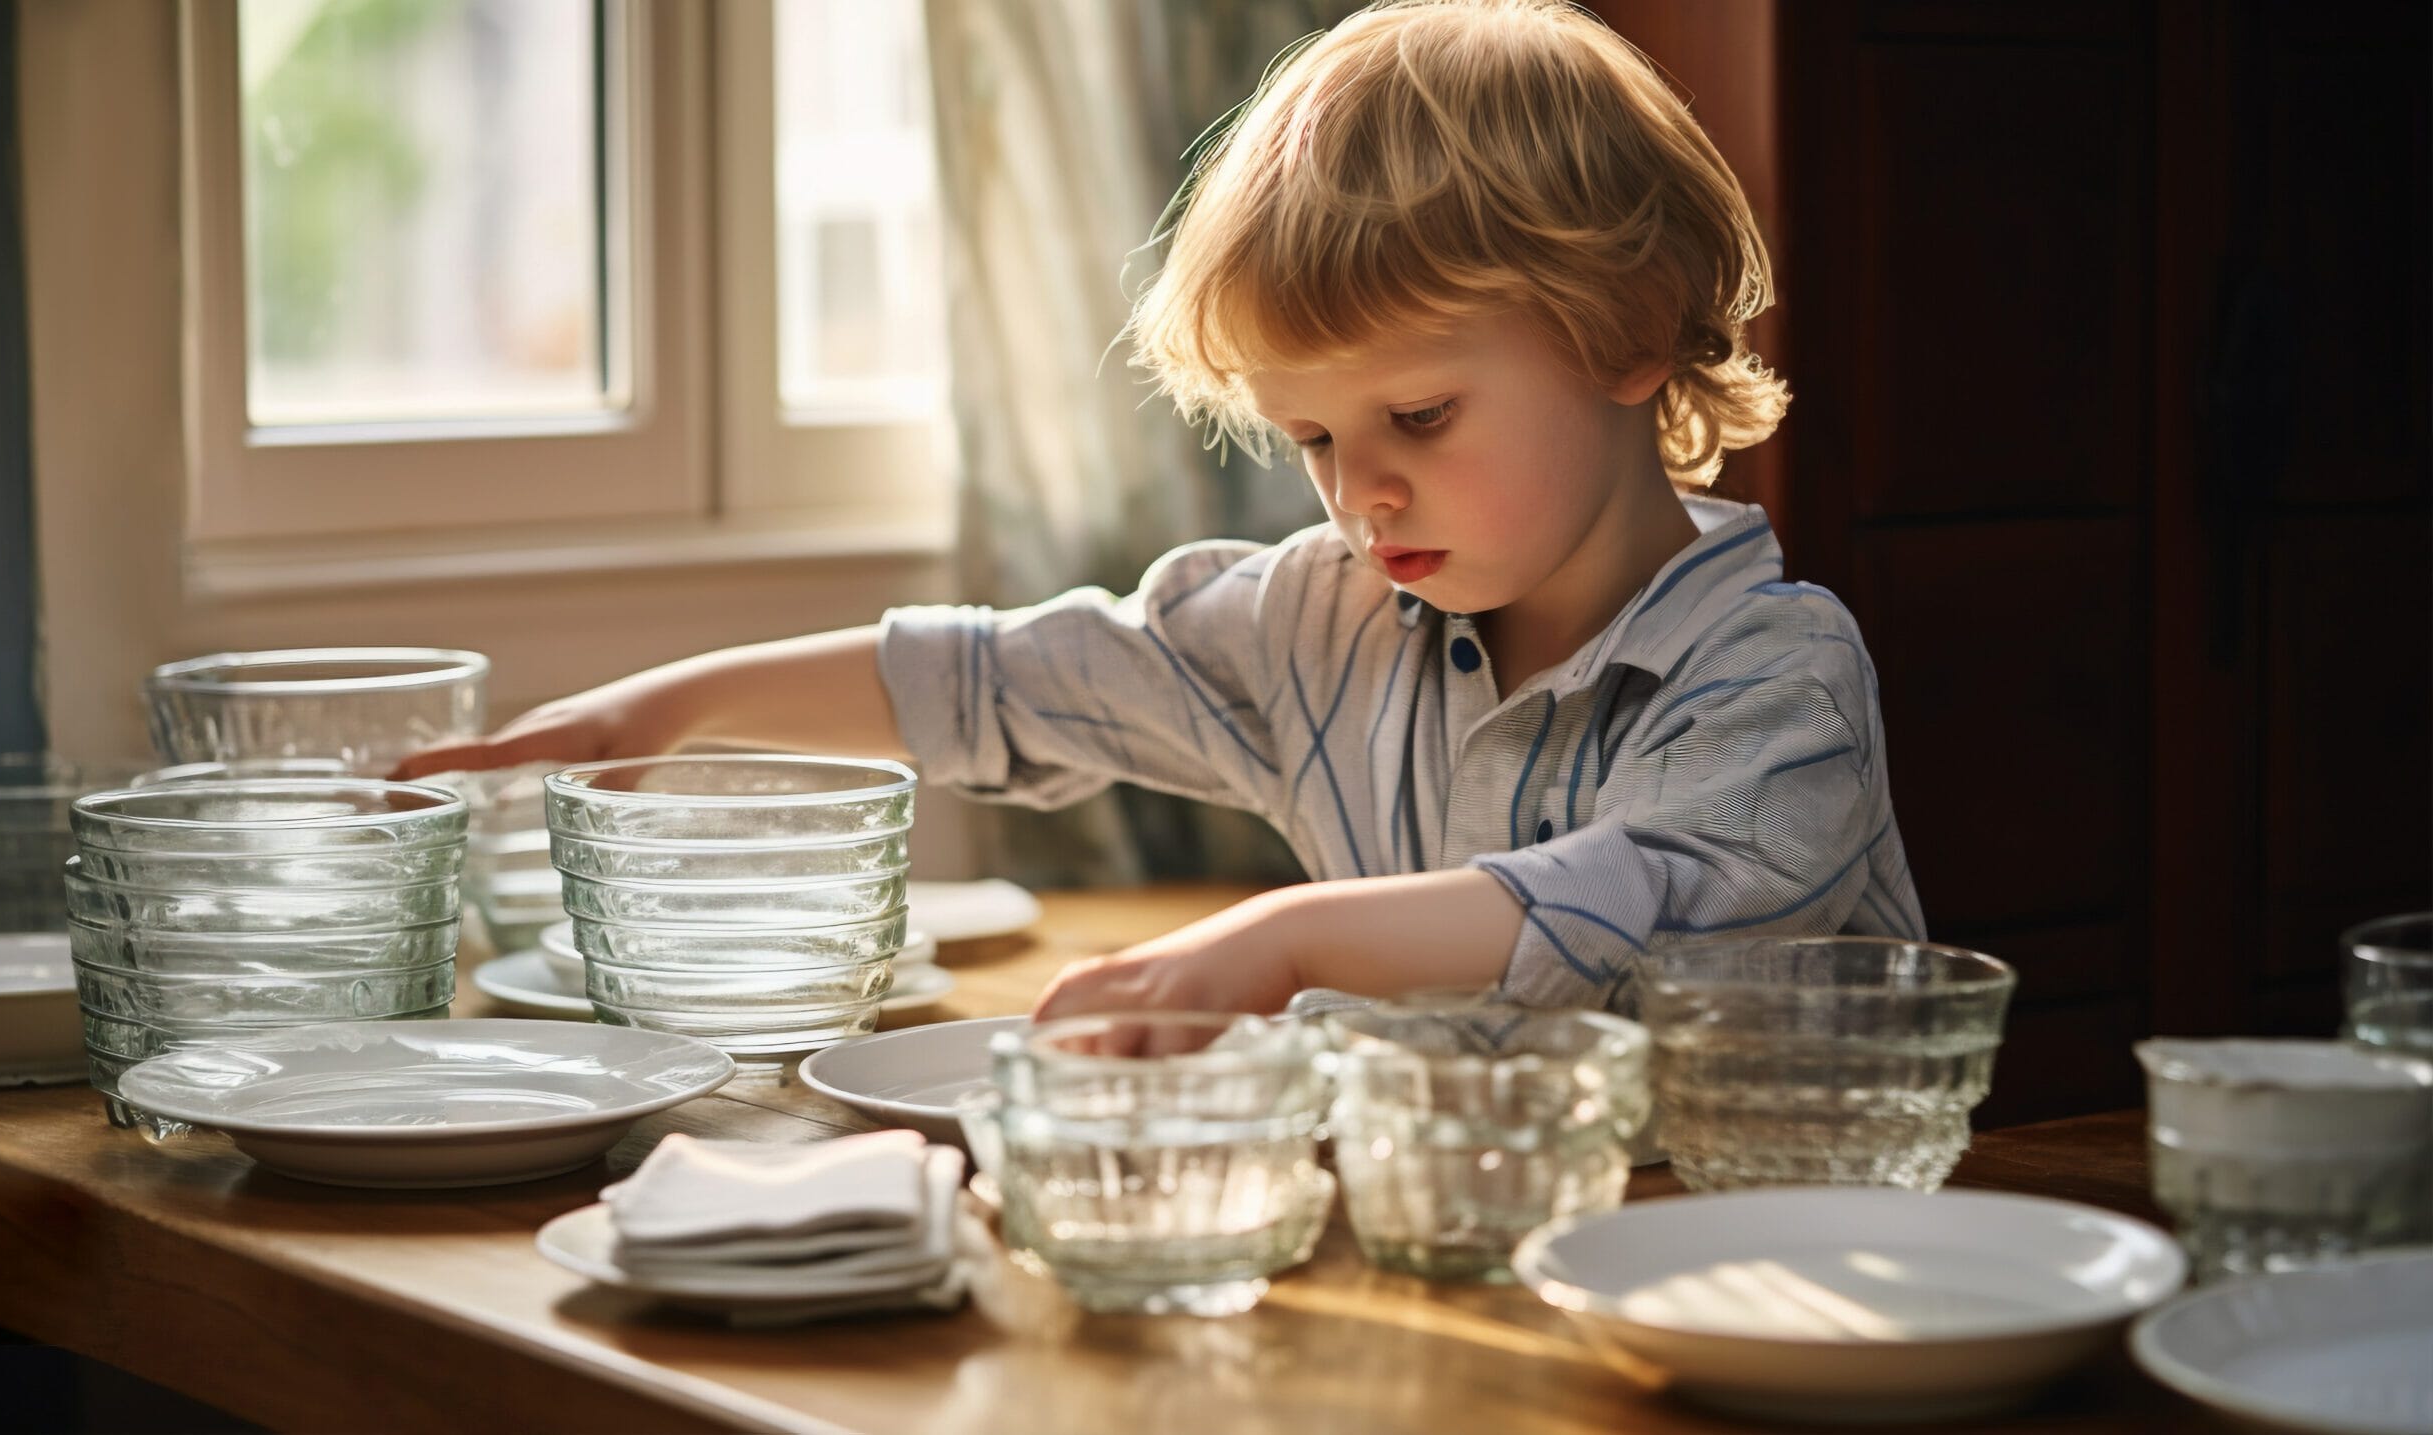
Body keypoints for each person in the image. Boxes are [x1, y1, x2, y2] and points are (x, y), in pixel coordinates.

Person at [395, 0, 1925, 1022]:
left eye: (1420, 416)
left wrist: (1286, 940)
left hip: (1775, 1294)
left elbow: (1640, 908)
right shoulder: (1322, 620)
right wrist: (673, 712)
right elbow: (1008, 681)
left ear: (1629, 333)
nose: (1358, 489)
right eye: (1309, 435)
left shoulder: (1778, 678)